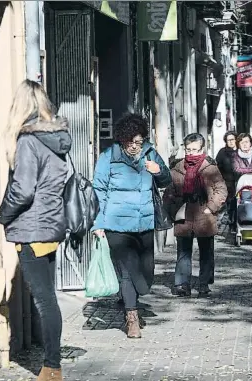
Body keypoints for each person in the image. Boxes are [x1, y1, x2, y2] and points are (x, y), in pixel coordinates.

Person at [0, 79, 72, 381]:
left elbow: (23, 190)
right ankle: (51, 363)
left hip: (32, 228)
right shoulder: (56, 139)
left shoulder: (28, 141)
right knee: (48, 298)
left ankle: (52, 367)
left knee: (44, 301)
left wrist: (3, 214)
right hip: (51, 225)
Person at [91, 113, 171, 339]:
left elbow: (166, 181)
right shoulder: (108, 157)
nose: (136, 146)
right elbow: (99, 191)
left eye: (139, 141)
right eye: (131, 142)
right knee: (127, 273)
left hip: (144, 222)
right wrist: (98, 223)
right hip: (116, 223)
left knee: (146, 274)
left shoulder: (150, 153)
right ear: (122, 139)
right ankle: (131, 317)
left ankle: (135, 298)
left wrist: (159, 171)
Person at [163, 133, 227, 298]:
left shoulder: (210, 168)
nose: (191, 153)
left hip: (203, 214)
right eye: (188, 149)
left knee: (206, 251)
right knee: (183, 252)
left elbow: (221, 190)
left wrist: (211, 208)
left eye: (195, 150)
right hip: (183, 214)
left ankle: (204, 283)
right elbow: (169, 192)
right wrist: (171, 210)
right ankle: (182, 284)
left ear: (202, 149)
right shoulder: (177, 168)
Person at [215, 131, 238, 224]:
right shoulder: (222, 152)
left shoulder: (240, 151)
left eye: (232, 139)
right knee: (228, 200)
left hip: (239, 180)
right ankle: (228, 218)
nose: (231, 142)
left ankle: (235, 219)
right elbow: (217, 166)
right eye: (228, 140)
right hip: (227, 181)